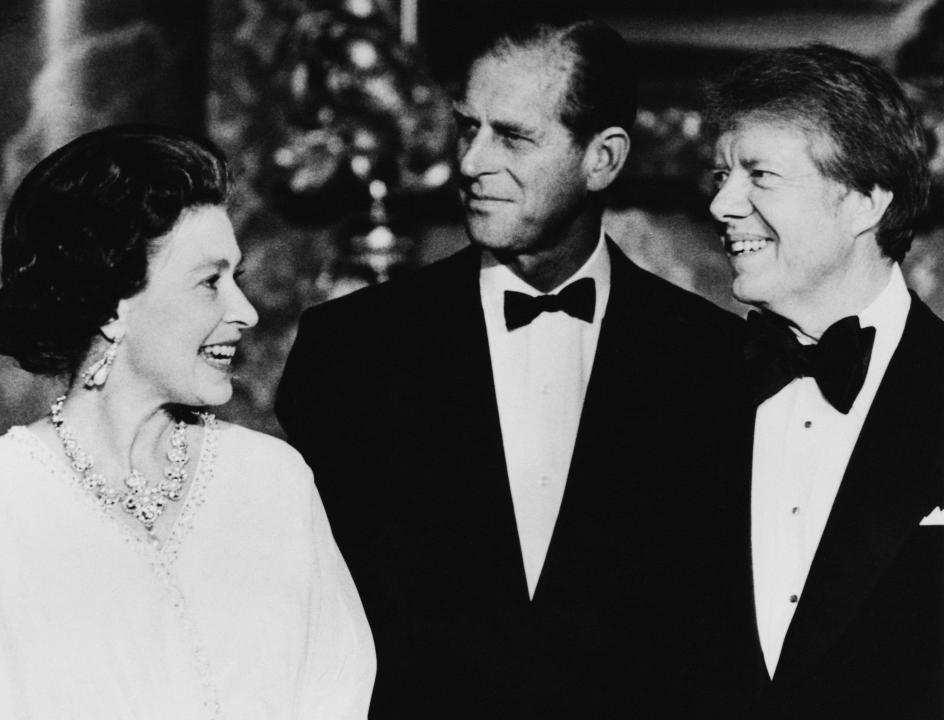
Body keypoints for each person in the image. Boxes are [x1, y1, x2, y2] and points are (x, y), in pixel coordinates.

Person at [277, 13, 747, 718]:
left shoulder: (717, 363)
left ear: (604, 159)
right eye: (469, 127)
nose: (469, 163)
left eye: (513, 137)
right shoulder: (350, 350)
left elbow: (721, 645)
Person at [0, 125, 375, 719]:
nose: (243, 312)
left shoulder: (274, 482)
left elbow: (337, 693)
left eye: (236, 279)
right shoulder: (0, 504)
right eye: (208, 282)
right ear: (113, 303)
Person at [706, 44, 944, 718]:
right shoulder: (683, 391)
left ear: (865, 200)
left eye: (760, 175)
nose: (723, 203)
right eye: (721, 173)